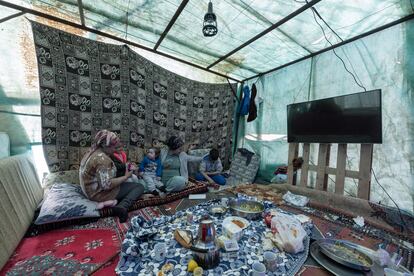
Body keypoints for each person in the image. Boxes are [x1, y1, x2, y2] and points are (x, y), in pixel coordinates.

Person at [79, 129, 148, 223]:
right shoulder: (102, 159)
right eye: (113, 148)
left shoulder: (91, 152)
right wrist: (126, 177)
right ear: (104, 145)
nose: (114, 151)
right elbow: (107, 185)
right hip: (98, 194)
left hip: (90, 190)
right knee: (139, 187)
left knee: (129, 183)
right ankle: (122, 206)